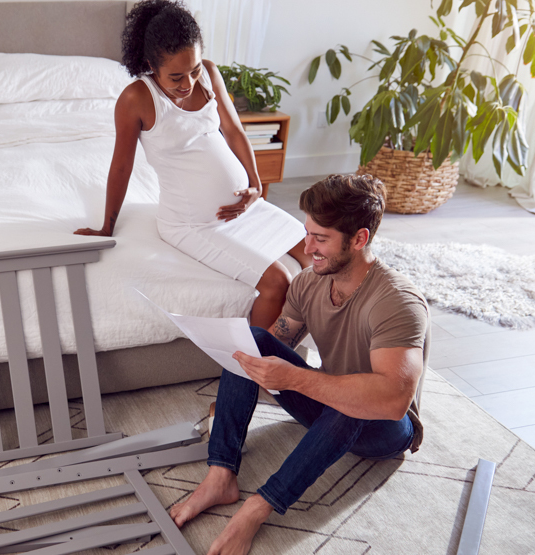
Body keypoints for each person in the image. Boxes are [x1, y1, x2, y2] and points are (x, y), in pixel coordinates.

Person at [169, 174, 430, 555]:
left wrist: (293, 378)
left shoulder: (397, 302)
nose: (307, 248)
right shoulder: (308, 282)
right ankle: (220, 475)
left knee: (354, 401)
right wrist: (235, 373)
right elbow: (273, 346)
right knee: (253, 340)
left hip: (386, 430)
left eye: (320, 239)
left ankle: (259, 507)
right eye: (306, 234)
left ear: (359, 239)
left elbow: (391, 401)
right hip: (329, 404)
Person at [74, 0, 309, 329]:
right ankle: (255, 378)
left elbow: (235, 131)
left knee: (318, 258)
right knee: (278, 282)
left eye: (194, 70)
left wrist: (255, 185)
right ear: (150, 66)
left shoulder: (210, 74)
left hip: (245, 209)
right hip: (194, 224)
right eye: (176, 77)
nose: (188, 83)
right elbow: (121, 167)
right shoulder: (136, 99)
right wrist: (106, 227)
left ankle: (293, 359)